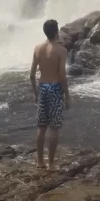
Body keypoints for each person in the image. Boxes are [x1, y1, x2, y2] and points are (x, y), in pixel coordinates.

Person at [30, 18, 70, 170]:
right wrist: (67, 95)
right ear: (56, 31)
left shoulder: (37, 48)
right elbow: (61, 75)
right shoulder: (61, 50)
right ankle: (51, 164)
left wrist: (35, 93)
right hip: (55, 89)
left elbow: (32, 75)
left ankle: (40, 161)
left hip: (42, 87)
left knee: (41, 126)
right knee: (54, 128)